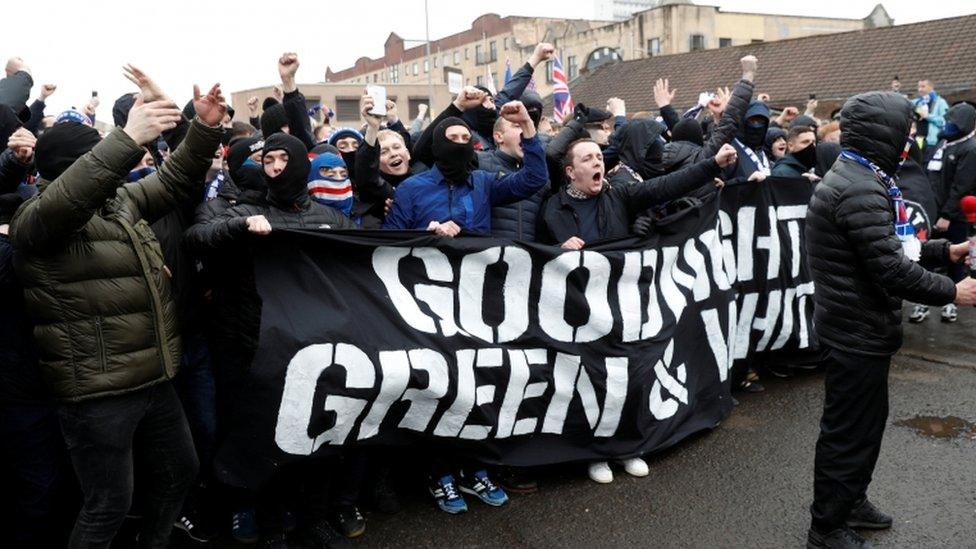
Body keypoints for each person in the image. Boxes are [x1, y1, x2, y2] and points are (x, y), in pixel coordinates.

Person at [9, 80, 227, 548]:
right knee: (107, 503)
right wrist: (126, 139)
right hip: (97, 392)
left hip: (153, 378)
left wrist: (204, 131)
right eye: (99, 159)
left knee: (178, 474)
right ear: (76, 168)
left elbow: (173, 180)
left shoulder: (120, 203)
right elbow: (69, 198)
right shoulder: (37, 220)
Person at [804, 91, 976, 549]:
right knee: (847, 433)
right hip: (854, 331)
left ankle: (850, 502)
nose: (912, 139)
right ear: (885, 133)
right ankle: (826, 527)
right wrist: (952, 290)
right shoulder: (858, 186)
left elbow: (897, 247)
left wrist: (946, 251)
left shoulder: (866, 176)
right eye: (906, 129)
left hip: (862, 328)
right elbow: (891, 269)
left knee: (866, 428)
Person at [383, 100, 547, 236]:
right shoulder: (410, 188)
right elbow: (389, 241)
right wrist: (427, 234)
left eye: (465, 138)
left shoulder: (484, 183)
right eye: (453, 138)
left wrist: (526, 123)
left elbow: (534, 179)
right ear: (438, 146)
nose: (460, 144)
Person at [927, 101, 976, 323]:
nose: (948, 126)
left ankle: (953, 303)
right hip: (936, 213)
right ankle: (925, 302)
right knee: (930, 258)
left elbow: (961, 185)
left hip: (954, 217)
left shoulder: (970, 148)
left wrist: (946, 214)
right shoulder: (944, 144)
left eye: (953, 122)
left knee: (955, 257)